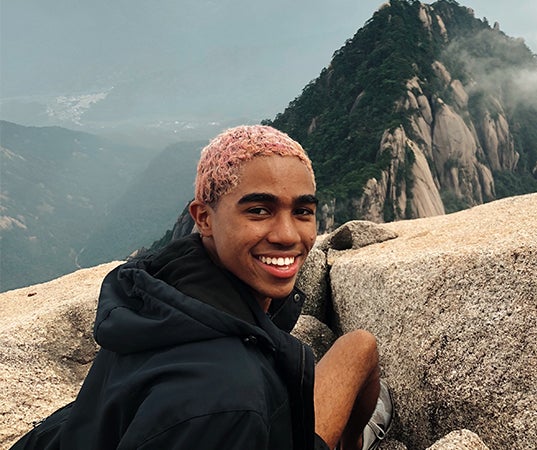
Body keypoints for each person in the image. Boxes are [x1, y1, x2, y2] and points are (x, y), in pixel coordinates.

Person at [11, 125, 392, 450]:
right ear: (204, 218)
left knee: (361, 345)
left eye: (302, 211)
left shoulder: (158, 287)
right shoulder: (227, 400)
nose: (288, 234)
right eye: (258, 210)